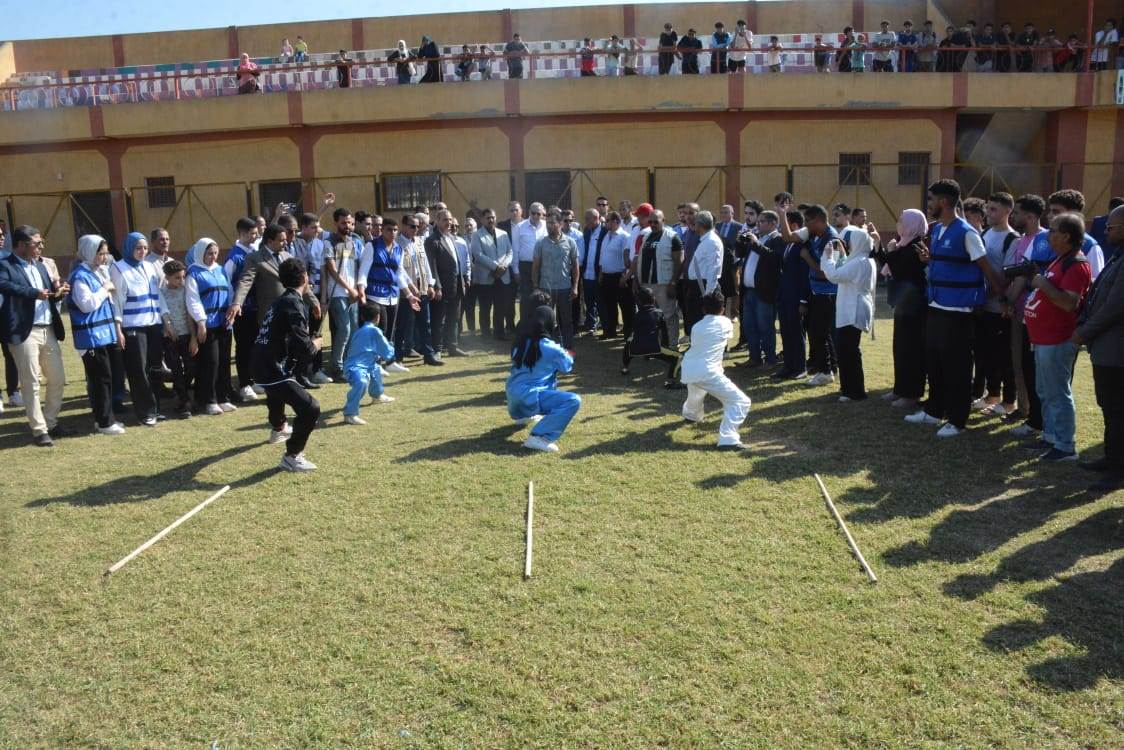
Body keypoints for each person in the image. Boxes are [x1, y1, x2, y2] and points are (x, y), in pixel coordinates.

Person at [907, 179, 1007, 438]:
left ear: (943, 201)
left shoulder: (967, 233)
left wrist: (1004, 299)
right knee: (935, 363)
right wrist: (928, 261)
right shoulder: (938, 230)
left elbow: (987, 269)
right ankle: (933, 410)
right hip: (936, 304)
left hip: (959, 312)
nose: (928, 205)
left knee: (956, 367)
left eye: (931, 200)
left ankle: (957, 419)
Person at [1023, 213, 1092, 462]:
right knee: (1045, 390)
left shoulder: (1076, 264)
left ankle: (1065, 445)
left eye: (1052, 230)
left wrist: (1042, 284)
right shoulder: (1061, 259)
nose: (1048, 234)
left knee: (1057, 393)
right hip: (1044, 338)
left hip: (1057, 339)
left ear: (1066, 236)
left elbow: (1068, 303)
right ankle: (1051, 437)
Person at [0, 225, 68, 445]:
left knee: (57, 378)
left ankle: (50, 421)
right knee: (31, 383)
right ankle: (40, 431)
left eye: (41, 243)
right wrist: (33, 293)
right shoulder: (5, 265)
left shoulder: (40, 266)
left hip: (48, 329)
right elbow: (5, 285)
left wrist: (58, 294)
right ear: (21, 245)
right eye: (36, 243)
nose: (41, 247)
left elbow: (46, 294)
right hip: (24, 331)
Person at [253, 258, 322, 471]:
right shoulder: (293, 302)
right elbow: (304, 346)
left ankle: (279, 428)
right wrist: (315, 344)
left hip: (261, 364)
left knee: (276, 392)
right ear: (305, 278)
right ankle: (292, 456)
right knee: (311, 408)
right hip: (271, 367)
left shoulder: (281, 300)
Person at [1073, 204, 1124, 490]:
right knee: (1109, 406)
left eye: (1111, 227)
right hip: (1106, 347)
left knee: (1118, 410)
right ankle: (1111, 456)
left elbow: (1114, 307)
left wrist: (1084, 331)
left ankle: (1118, 468)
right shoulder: (1118, 256)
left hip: (1117, 350)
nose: (1106, 232)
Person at [680, 290, 751, 450]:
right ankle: (728, 439)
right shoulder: (726, 323)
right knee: (740, 401)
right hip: (708, 371)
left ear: (703, 309)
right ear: (723, 309)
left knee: (696, 391)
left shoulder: (696, 326)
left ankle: (691, 415)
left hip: (689, 368)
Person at [506, 304, 581, 453]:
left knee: (539, 382)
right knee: (573, 400)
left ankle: (524, 416)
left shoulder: (520, 342)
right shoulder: (550, 346)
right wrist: (568, 354)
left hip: (512, 399)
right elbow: (566, 367)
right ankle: (540, 436)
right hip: (528, 397)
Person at [68, 234, 123, 435]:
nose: (104, 257)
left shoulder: (99, 271)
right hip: (90, 336)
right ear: (89, 252)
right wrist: (105, 288)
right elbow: (87, 304)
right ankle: (104, 422)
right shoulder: (79, 276)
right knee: (100, 379)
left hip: (105, 333)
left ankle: (106, 419)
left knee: (108, 377)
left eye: (106, 253)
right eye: (100, 253)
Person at [779, 204, 840, 386]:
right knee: (821, 332)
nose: (805, 224)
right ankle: (830, 368)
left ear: (818, 221)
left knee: (818, 332)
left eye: (808, 221)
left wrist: (807, 258)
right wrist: (782, 214)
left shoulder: (833, 240)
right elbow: (788, 237)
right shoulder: (813, 233)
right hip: (816, 291)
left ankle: (825, 371)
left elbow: (828, 274)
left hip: (827, 292)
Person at [972, 193, 1020, 416]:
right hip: (983, 306)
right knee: (985, 354)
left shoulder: (1013, 239)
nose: (988, 213)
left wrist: (994, 290)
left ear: (1007, 211)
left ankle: (1009, 401)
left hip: (1001, 308)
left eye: (994, 209)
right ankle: (992, 395)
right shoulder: (984, 233)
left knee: (1004, 356)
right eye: (988, 208)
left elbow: (1008, 275)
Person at [111, 231, 163, 426]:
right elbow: (117, 301)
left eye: (145, 248)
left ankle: (155, 408)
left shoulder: (149, 266)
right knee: (138, 370)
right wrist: (118, 328)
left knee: (154, 368)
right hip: (133, 326)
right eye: (138, 248)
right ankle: (145, 412)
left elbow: (158, 295)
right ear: (129, 248)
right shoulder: (118, 268)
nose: (142, 251)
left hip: (154, 324)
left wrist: (165, 319)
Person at [819, 227, 875, 401]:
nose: (846, 246)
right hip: (854, 307)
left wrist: (828, 257)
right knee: (847, 350)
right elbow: (843, 268)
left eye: (848, 243)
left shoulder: (858, 262)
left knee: (849, 351)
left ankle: (855, 391)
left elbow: (835, 275)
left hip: (853, 309)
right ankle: (849, 388)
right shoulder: (863, 259)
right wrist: (840, 255)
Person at [186, 238, 237, 415]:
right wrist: (201, 322)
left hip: (224, 323)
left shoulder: (220, 269)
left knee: (224, 361)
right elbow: (192, 300)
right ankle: (209, 400)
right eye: (209, 253)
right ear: (201, 253)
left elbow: (229, 291)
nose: (213, 257)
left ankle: (223, 398)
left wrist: (232, 311)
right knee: (211, 362)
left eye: (215, 253)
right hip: (208, 325)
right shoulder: (193, 273)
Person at [736, 211, 784, 368]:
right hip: (749, 291)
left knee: (765, 327)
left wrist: (756, 243)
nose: (758, 224)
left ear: (773, 223)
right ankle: (754, 358)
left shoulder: (777, 239)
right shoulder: (757, 237)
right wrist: (740, 241)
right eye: (758, 221)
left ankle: (770, 360)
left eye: (762, 221)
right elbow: (740, 254)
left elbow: (774, 259)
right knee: (749, 326)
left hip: (764, 292)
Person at [321, 208, 363, 380]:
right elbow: (332, 270)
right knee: (344, 329)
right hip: (337, 293)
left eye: (350, 223)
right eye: (344, 223)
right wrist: (349, 289)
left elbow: (355, 267)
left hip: (353, 293)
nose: (348, 226)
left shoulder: (353, 241)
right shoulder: (328, 242)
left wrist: (357, 289)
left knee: (354, 330)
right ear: (336, 223)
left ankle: (348, 364)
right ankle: (336, 367)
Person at [633, 208, 684, 345]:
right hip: (646, 284)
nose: (653, 224)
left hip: (664, 284)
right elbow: (640, 259)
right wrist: (636, 280)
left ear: (663, 220)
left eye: (656, 221)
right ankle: (656, 345)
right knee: (651, 317)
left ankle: (672, 346)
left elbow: (679, 262)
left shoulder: (672, 237)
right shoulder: (646, 236)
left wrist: (673, 283)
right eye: (650, 222)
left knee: (668, 316)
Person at [223, 217, 261, 400]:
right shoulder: (234, 257)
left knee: (255, 345)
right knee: (244, 346)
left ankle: (254, 380)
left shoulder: (254, 252)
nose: (256, 236)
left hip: (255, 308)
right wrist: (233, 306)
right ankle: (244, 383)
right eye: (253, 233)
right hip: (240, 310)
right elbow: (227, 283)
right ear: (242, 234)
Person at [532, 212, 580, 351]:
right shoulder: (540, 243)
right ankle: (547, 349)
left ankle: (568, 349)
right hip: (545, 288)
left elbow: (575, 267)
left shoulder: (570, 242)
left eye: (553, 223)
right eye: (548, 223)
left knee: (566, 320)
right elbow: (535, 267)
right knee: (546, 320)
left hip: (565, 288)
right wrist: (536, 287)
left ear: (560, 224)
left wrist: (575, 286)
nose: (549, 226)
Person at [343, 303, 396, 425]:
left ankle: (377, 396)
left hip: (361, 364)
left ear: (362, 317)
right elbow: (387, 353)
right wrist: (391, 347)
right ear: (378, 317)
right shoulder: (375, 331)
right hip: (355, 368)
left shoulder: (358, 331)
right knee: (361, 383)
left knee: (375, 369)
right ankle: (350, 414)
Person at [772, 209, 810, 380]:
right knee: (786, 332)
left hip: (796, 297)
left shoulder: (802, 245)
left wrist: (803, 300)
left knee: (796, 333)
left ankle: (800, 367)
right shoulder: (788, 245)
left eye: (784, 224)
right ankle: (788, 366)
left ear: (794, 225)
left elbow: (804, 276)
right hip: (784, 295)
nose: (781, 229)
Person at [425, 209, 468, 356]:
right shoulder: (432, 240)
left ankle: (452, 347)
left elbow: (456, 263)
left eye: (450, 219)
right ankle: (437, 349)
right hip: (442, 287)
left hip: (455, 285)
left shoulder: (451, 238)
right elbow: (432, 266)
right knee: (438, 319)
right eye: (445, 220)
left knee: (453, 318)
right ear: (437, 221)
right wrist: (437, 286)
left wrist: (462, 282)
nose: (449, 222)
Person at [470, 208, 515, 340]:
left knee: (500, 306)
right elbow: (478, 255)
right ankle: (485, 334)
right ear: (482, 220)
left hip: (502, 276)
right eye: (488, 218)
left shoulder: (503, 234)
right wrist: (496, 267)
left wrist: (504, 266)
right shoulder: (476, 235)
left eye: (493, 217)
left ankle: (499, 332)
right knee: (485, 307)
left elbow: (510, 252)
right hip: (486, 277)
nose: (491, 220)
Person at [622, 286, 679, 388]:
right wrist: (666, 346)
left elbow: (633, 332)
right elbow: (664, 333)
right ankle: (670, 380)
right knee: (678, 357)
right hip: (654, 348)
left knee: (628, 344)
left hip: (636, 348)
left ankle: (625, 368)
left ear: (638, 301)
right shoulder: (659, 313)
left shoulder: (635, 316)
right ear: (654, 299)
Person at [159, 259, 195, 418]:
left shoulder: (186, 290)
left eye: (183, 277)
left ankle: (181, 393)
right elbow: (163, 312)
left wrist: (193, 337)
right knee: (176, 369)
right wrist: (169, 328)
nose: (181, 281)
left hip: (186, 334)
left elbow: (189, 314)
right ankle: (184, 402)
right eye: (177, 278)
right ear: (167, 277)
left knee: (191, 367)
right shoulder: (161, 292)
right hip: (170, 337)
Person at [597, 211, 634, 339]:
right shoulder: (606, 236)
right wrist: (601, 273)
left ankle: (628, 331)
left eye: (607, 221)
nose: (605, 223)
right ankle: (611, 330)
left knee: (625, 305)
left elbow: (626, 257)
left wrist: (624, 276)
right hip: (606, 275)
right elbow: (602, 255)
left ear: (616, 221)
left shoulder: (624, 236)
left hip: (619, 276)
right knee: (609, 305)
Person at [685, 211, 722, 336]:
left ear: (700, 225)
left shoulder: (712, 241)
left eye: (695, 223)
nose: (693, 226)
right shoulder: (706, 240)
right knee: (696, 320)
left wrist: (708, 293)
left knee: (705, 322)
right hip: (699, 287)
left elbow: (714, 268)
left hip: (704, 288)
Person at [514, 203, 548, 319]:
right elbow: (515, 249)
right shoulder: (519, 227)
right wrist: (516, 270)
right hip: (526, 267)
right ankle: (525, 324)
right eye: (533, 213)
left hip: (543, 266)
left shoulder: (546, 225)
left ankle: (541, 323)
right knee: (526, 297)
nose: (536, 216)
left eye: (539, 214)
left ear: (542, 214)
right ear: (529, 212)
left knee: (543, 296)